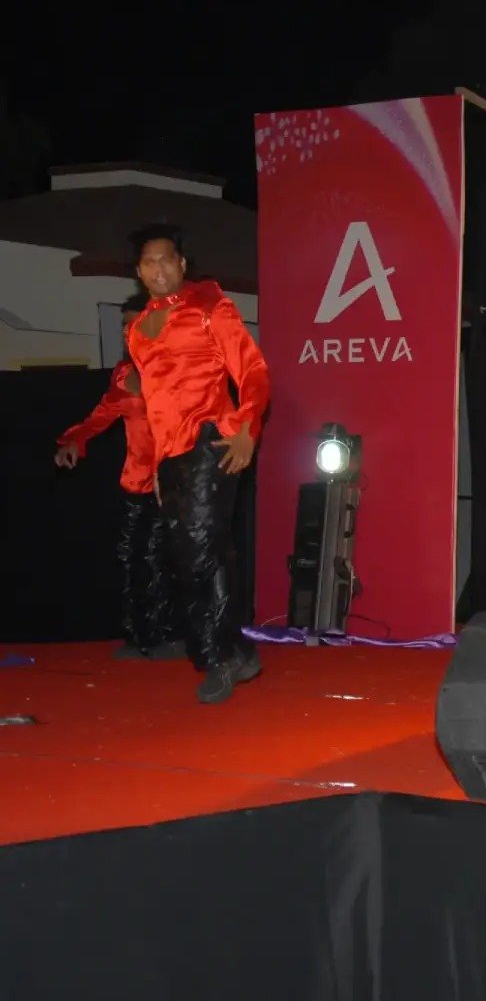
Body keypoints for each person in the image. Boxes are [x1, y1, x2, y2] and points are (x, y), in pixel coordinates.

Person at [126, 223, 271, 703]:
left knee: (202, 548)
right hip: (171, 455)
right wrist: (157, 467)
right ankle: (238, 650)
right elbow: (153, 403)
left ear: (182, 264)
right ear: (139, 271)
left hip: (212, 439)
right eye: (149, 262)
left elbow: (252, 369)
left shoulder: (210, 308)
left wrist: (248, 428)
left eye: (167, 259)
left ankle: (220, 657)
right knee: (188, 553)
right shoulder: (137, 330)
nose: (159, 269)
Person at [55, 292, 182, 660]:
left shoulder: (177, 370)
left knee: (160, 559)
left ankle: (168, 636)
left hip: (170, 482)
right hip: (134, 481)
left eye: (133, 323)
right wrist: (74, 440)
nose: (127, 331)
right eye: (124, 325)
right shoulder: (124, 373)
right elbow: (103, 414)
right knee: (130, 558)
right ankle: (139, 636)